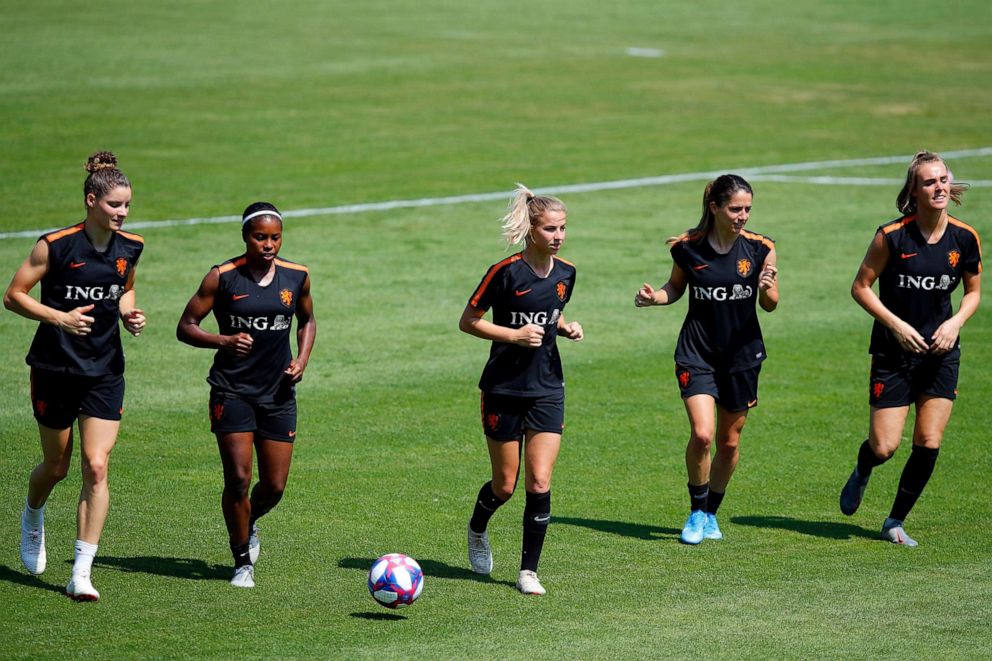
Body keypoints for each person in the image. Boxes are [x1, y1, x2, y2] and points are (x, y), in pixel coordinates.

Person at [3, 151, 145, 601]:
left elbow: (125, 287)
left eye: (126, 205)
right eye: (114, 205)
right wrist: (59, 318)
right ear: (91, 201)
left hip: (105, 370)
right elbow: (13, 295)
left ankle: (81, 573)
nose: (122, 213)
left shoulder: (131, 247)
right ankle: (33, 514)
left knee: (97, 466)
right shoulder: (56, 245)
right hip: (55, 368)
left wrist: (128, 313)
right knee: (57, 467)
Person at [839, 150, 981, 547]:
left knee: (929, 441)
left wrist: (955, 323)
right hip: (894, 353)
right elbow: (860, 287)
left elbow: (973, 293)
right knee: (884, 446)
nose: (938, 187)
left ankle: (895, 521)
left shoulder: (964, 237)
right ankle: (864, 468)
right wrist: (897, 326)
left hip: (941, 353)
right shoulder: (891, 236)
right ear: (914, 191)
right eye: (929, 182)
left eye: (942, 180)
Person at [177, 202, 316, 588]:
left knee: (274, 486)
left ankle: (249, 520)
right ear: (245, 237)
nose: (268, 244)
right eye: (260, 237)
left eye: (275, 237)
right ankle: (241, 561)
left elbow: (306, 320)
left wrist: (302, 358)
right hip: (232, 390)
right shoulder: (222, 277)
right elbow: (185, 326)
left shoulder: (297, 276)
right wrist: (223, 340)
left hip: (278, 393)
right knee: (238, 478)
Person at [634, 174, 778, 544]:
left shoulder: (761, 248)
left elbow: (771, 304)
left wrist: (766, 289)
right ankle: (697, 510)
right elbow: (676, 288)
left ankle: (712, 512)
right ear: (714, 207)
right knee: (702, 434)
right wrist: (655, 298)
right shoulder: (687, 248)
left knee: (729, 443)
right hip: (696, 353)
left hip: (742, 357)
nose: (742, 215)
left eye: (747, 208)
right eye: (735, 209)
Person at [460, 184, 583, 595]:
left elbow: (553, 313)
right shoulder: (505, 272)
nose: (558, 236)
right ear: (532, 229)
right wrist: (513, 336)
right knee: (505, 485)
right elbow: (469, 321)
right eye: (550, 229)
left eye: (562, 228)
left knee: (540, 481)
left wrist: (565, 326)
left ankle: (528, 571)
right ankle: (477, 529)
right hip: (503, 389)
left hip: (547, 388)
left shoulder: (567, 273)